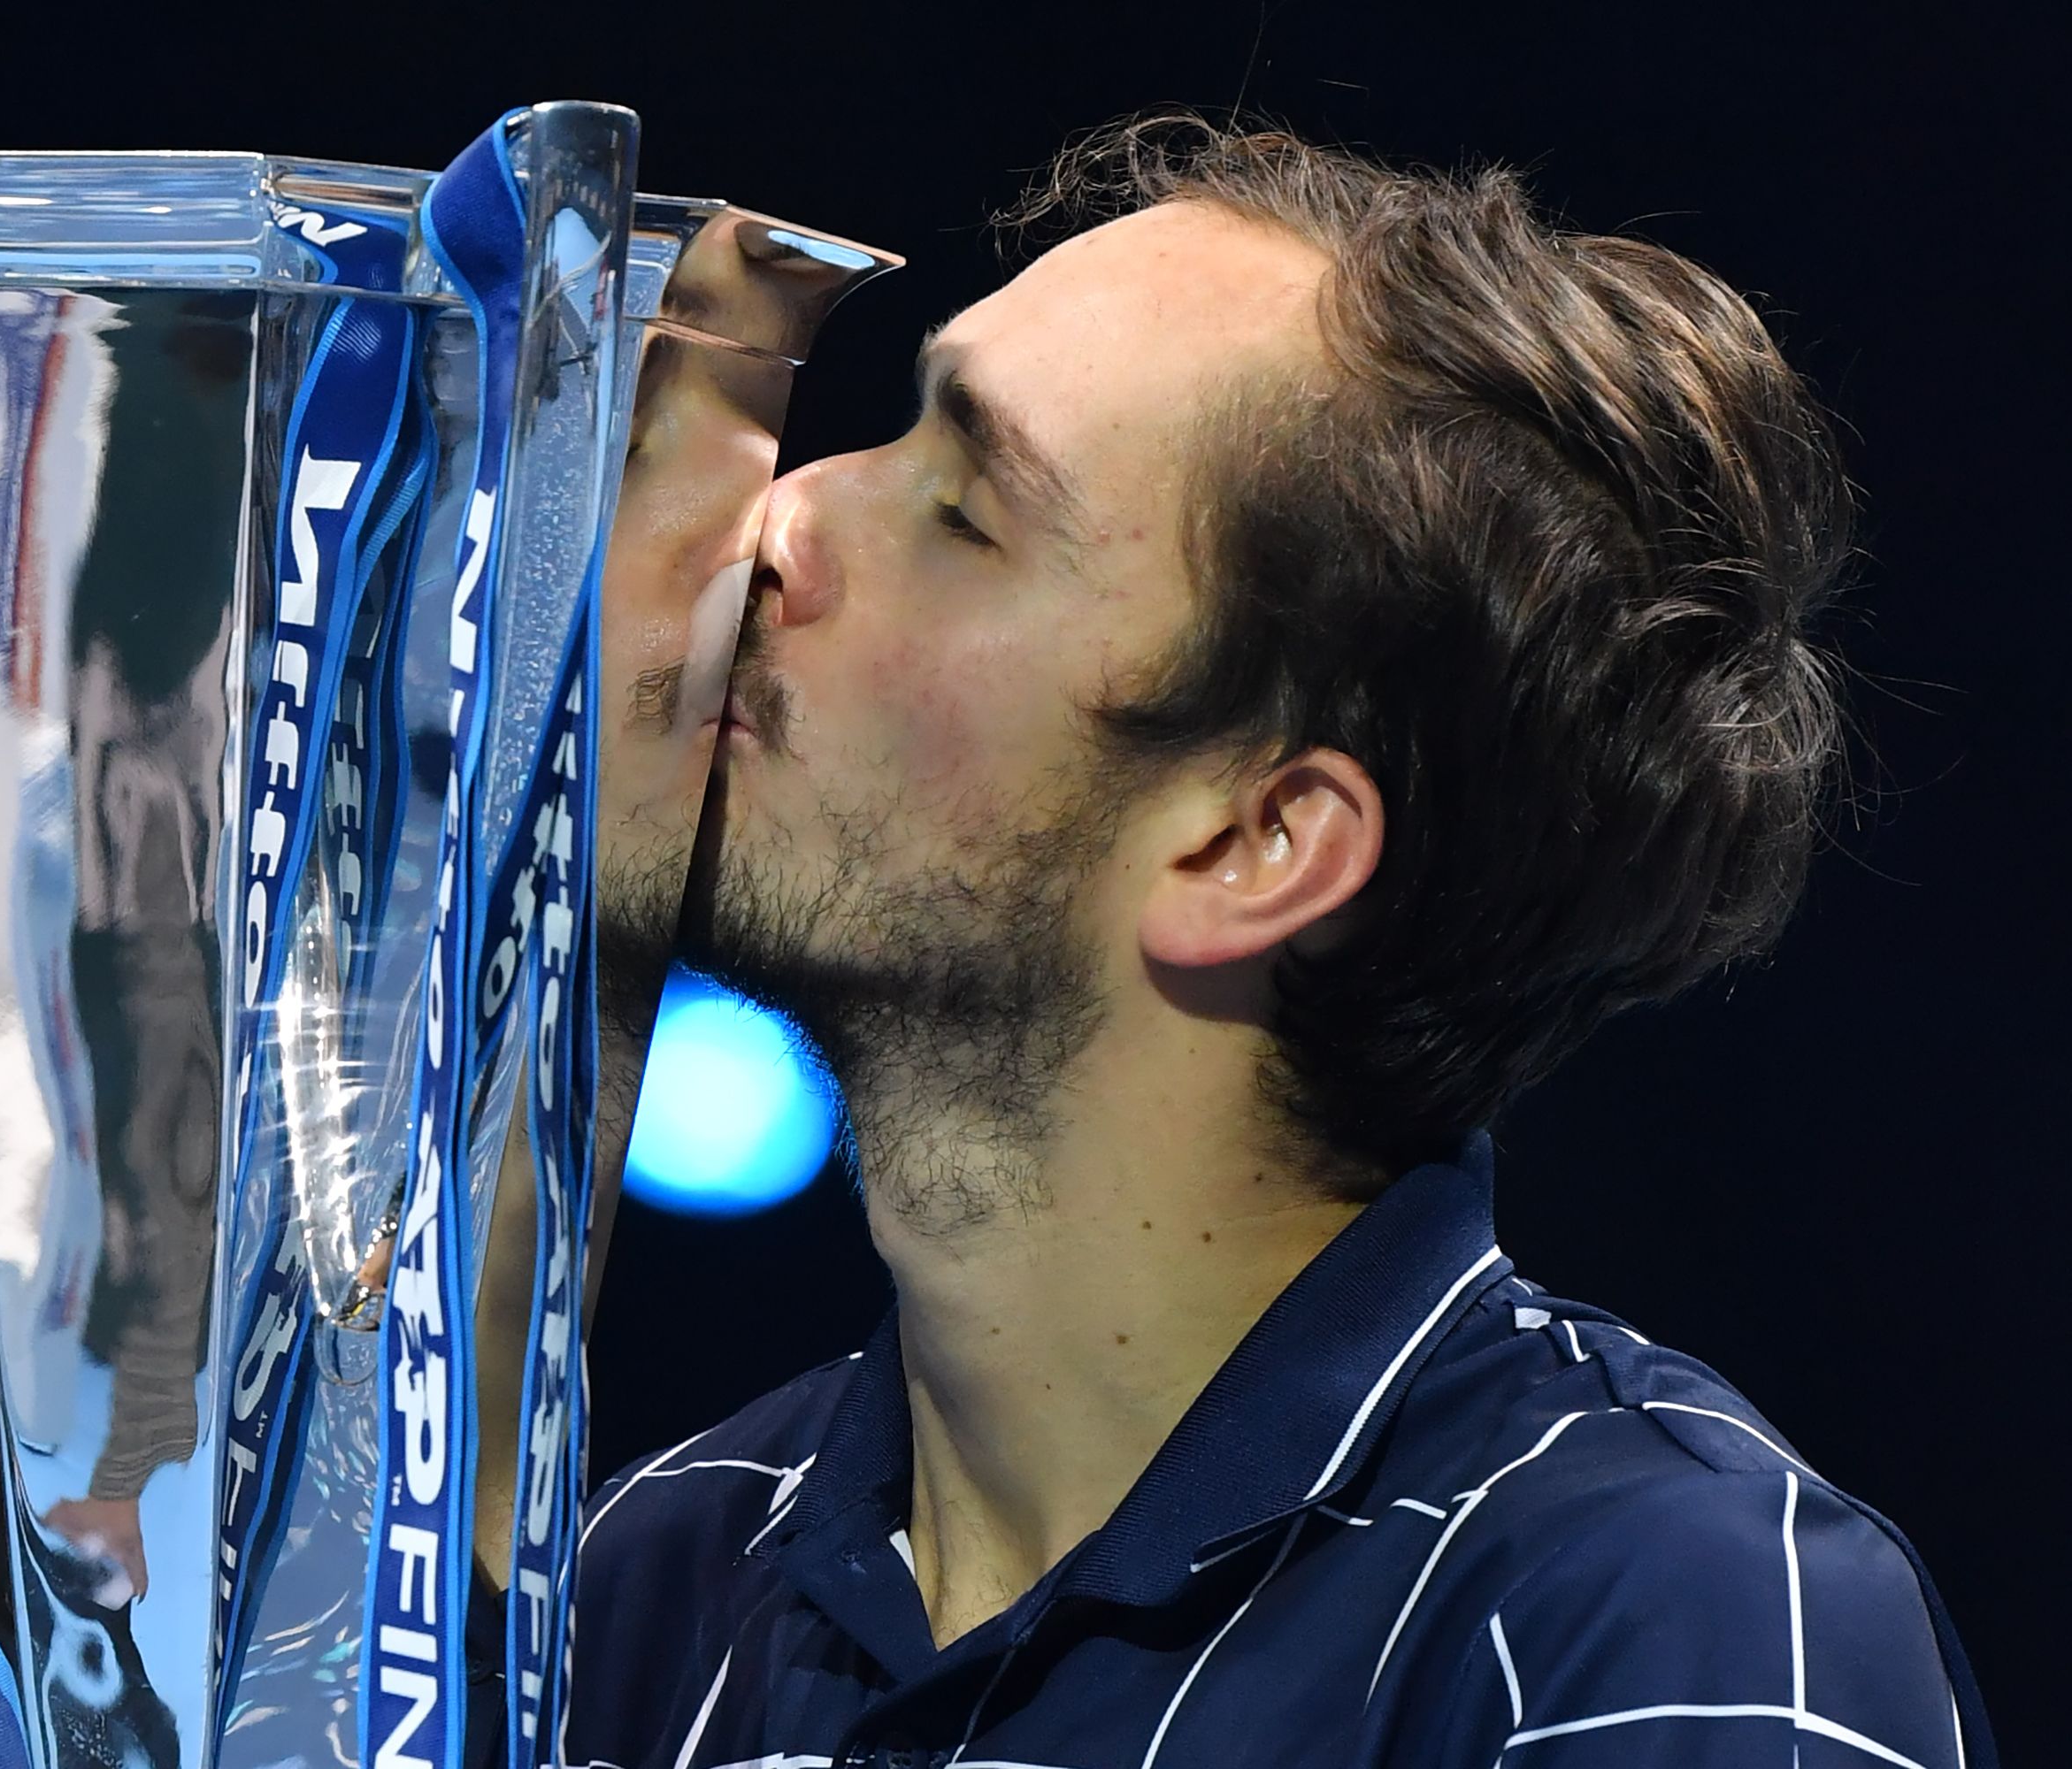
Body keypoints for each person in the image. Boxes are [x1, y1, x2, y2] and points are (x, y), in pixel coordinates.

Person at [512, 113, 1998, 1766]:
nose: (781, 525)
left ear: (1250, 843)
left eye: (962, 512)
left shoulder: (1662, 1624)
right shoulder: (629, 1584)